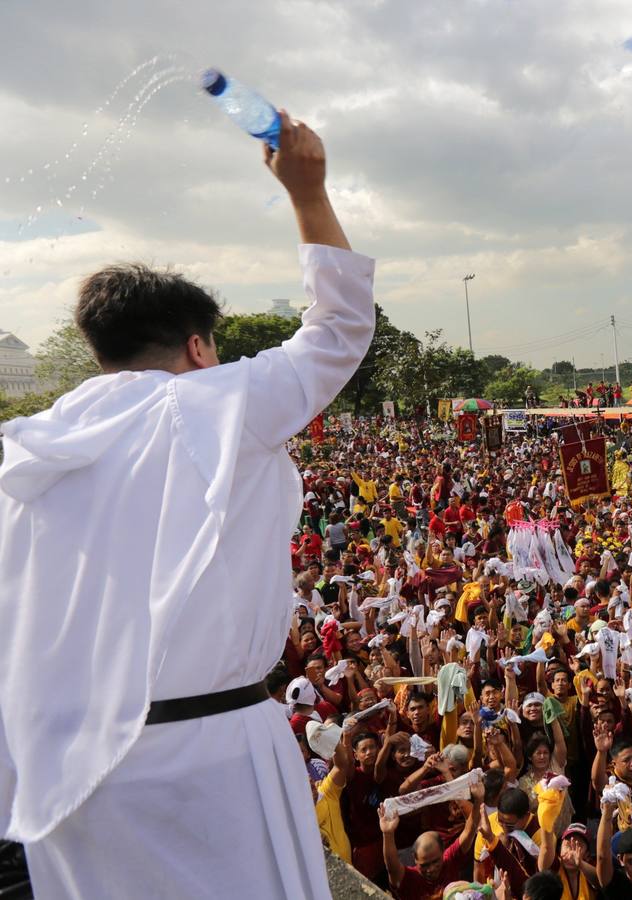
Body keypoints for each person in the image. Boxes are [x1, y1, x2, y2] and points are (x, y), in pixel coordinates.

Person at [0, 113, 374, 897]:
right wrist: (308, 191)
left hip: (69, 772)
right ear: (199, 348)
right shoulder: (209, 406)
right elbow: (338, 329)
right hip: (213, 762)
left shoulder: (25, 451)